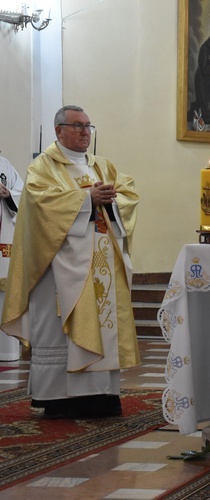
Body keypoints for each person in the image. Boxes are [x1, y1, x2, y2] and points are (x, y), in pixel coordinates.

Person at [1, 105, 140, 418]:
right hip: (61, 268)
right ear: (58, 130)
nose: (85, 132)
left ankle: (103, 397)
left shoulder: (102, 166)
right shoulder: (43, 167)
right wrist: (86, 198)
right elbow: (38, 205)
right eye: (77, 126)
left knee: (103, 328)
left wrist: (113, 197)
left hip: (102, 259)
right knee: (63, 331)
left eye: (89, 126)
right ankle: (60, 400)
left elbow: (127, 193)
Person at [0, 156, 23, 361]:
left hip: (3, 238)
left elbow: (22, 194)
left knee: (3, 296)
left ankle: (5, 351)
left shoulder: (5, 164)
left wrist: (8, 194)